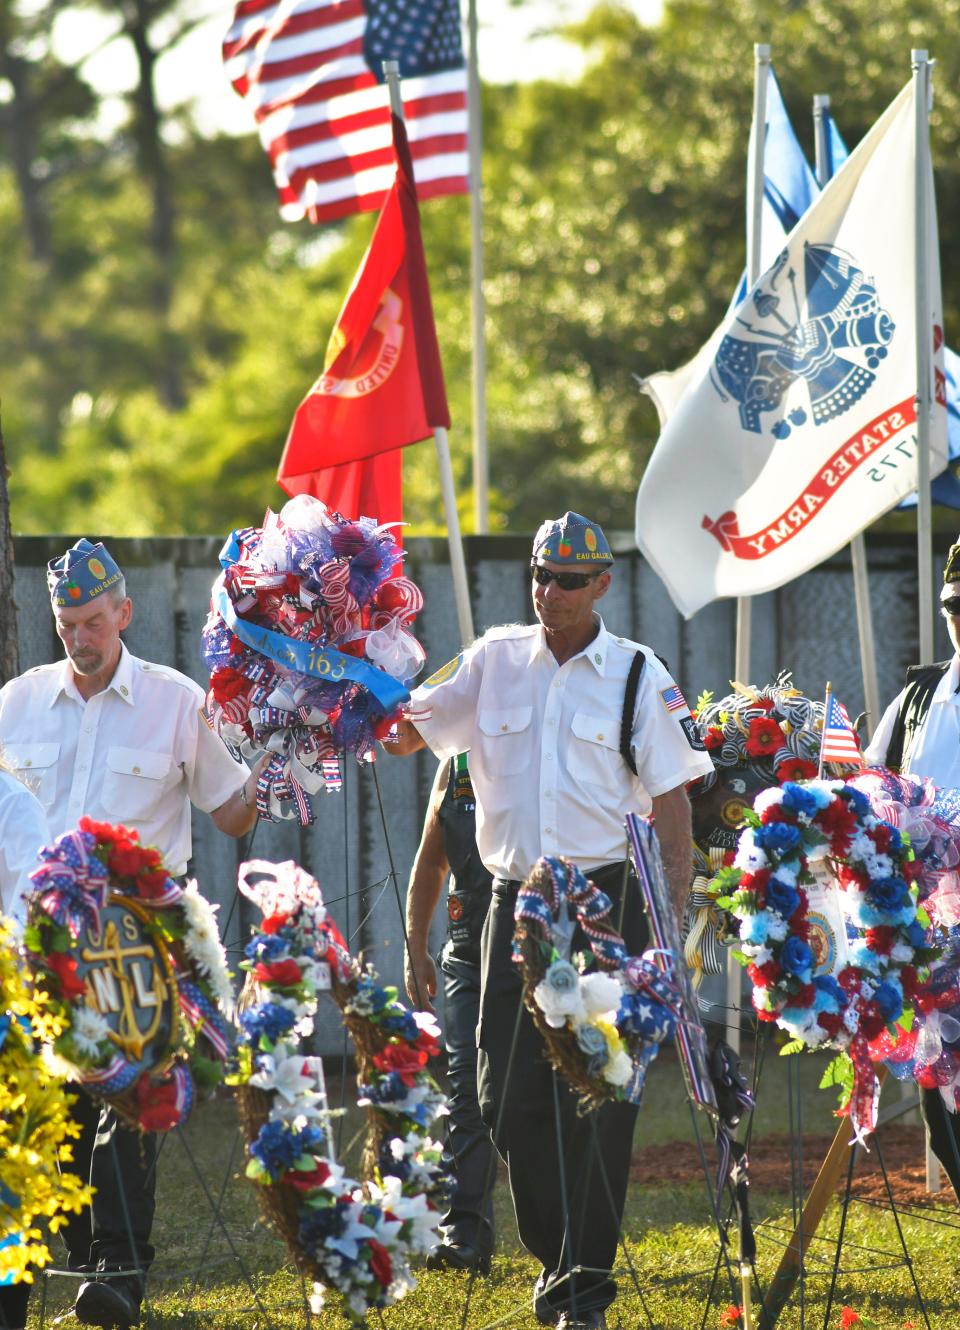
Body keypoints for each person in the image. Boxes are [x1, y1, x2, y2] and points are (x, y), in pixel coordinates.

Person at [385, 512, 713, 1330]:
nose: (549, 592)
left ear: (602, 584)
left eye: (568, 580)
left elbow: (673, 809)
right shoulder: (493, 661)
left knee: (602, 1099)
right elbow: (400, 738)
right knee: (505, 1102)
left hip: (609, 907)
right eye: (539, 575)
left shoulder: (637, 674)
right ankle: (557, 1247)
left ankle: (583, 1288)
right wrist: (355, 674)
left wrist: (669, 930)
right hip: (512, 904)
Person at [0, 538, 262, 1330]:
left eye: (92, 622)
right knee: (47, 1107)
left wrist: (280, 763)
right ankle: (62, 1257)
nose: (78, 639)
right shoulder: (15, 703)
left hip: (135, 945)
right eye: (65, 624)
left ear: (125, 613)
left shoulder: (178, 701)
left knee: (124, 1098)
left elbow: (232, 812)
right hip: (33, 942)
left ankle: (119, 1272)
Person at [864, 538, 960, 1201]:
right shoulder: (921, 694)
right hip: (931, 930)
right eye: (958, 605)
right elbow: (871, 787)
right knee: (940, 1092)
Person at [404, 752, 495, 1275]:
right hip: (465, 951)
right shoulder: (455, 766)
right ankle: (463, 1234)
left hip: (537, 952)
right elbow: (431, 860)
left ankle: (566, 1236)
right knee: (465, 1086)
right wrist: (415, 947)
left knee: (526, 1096)